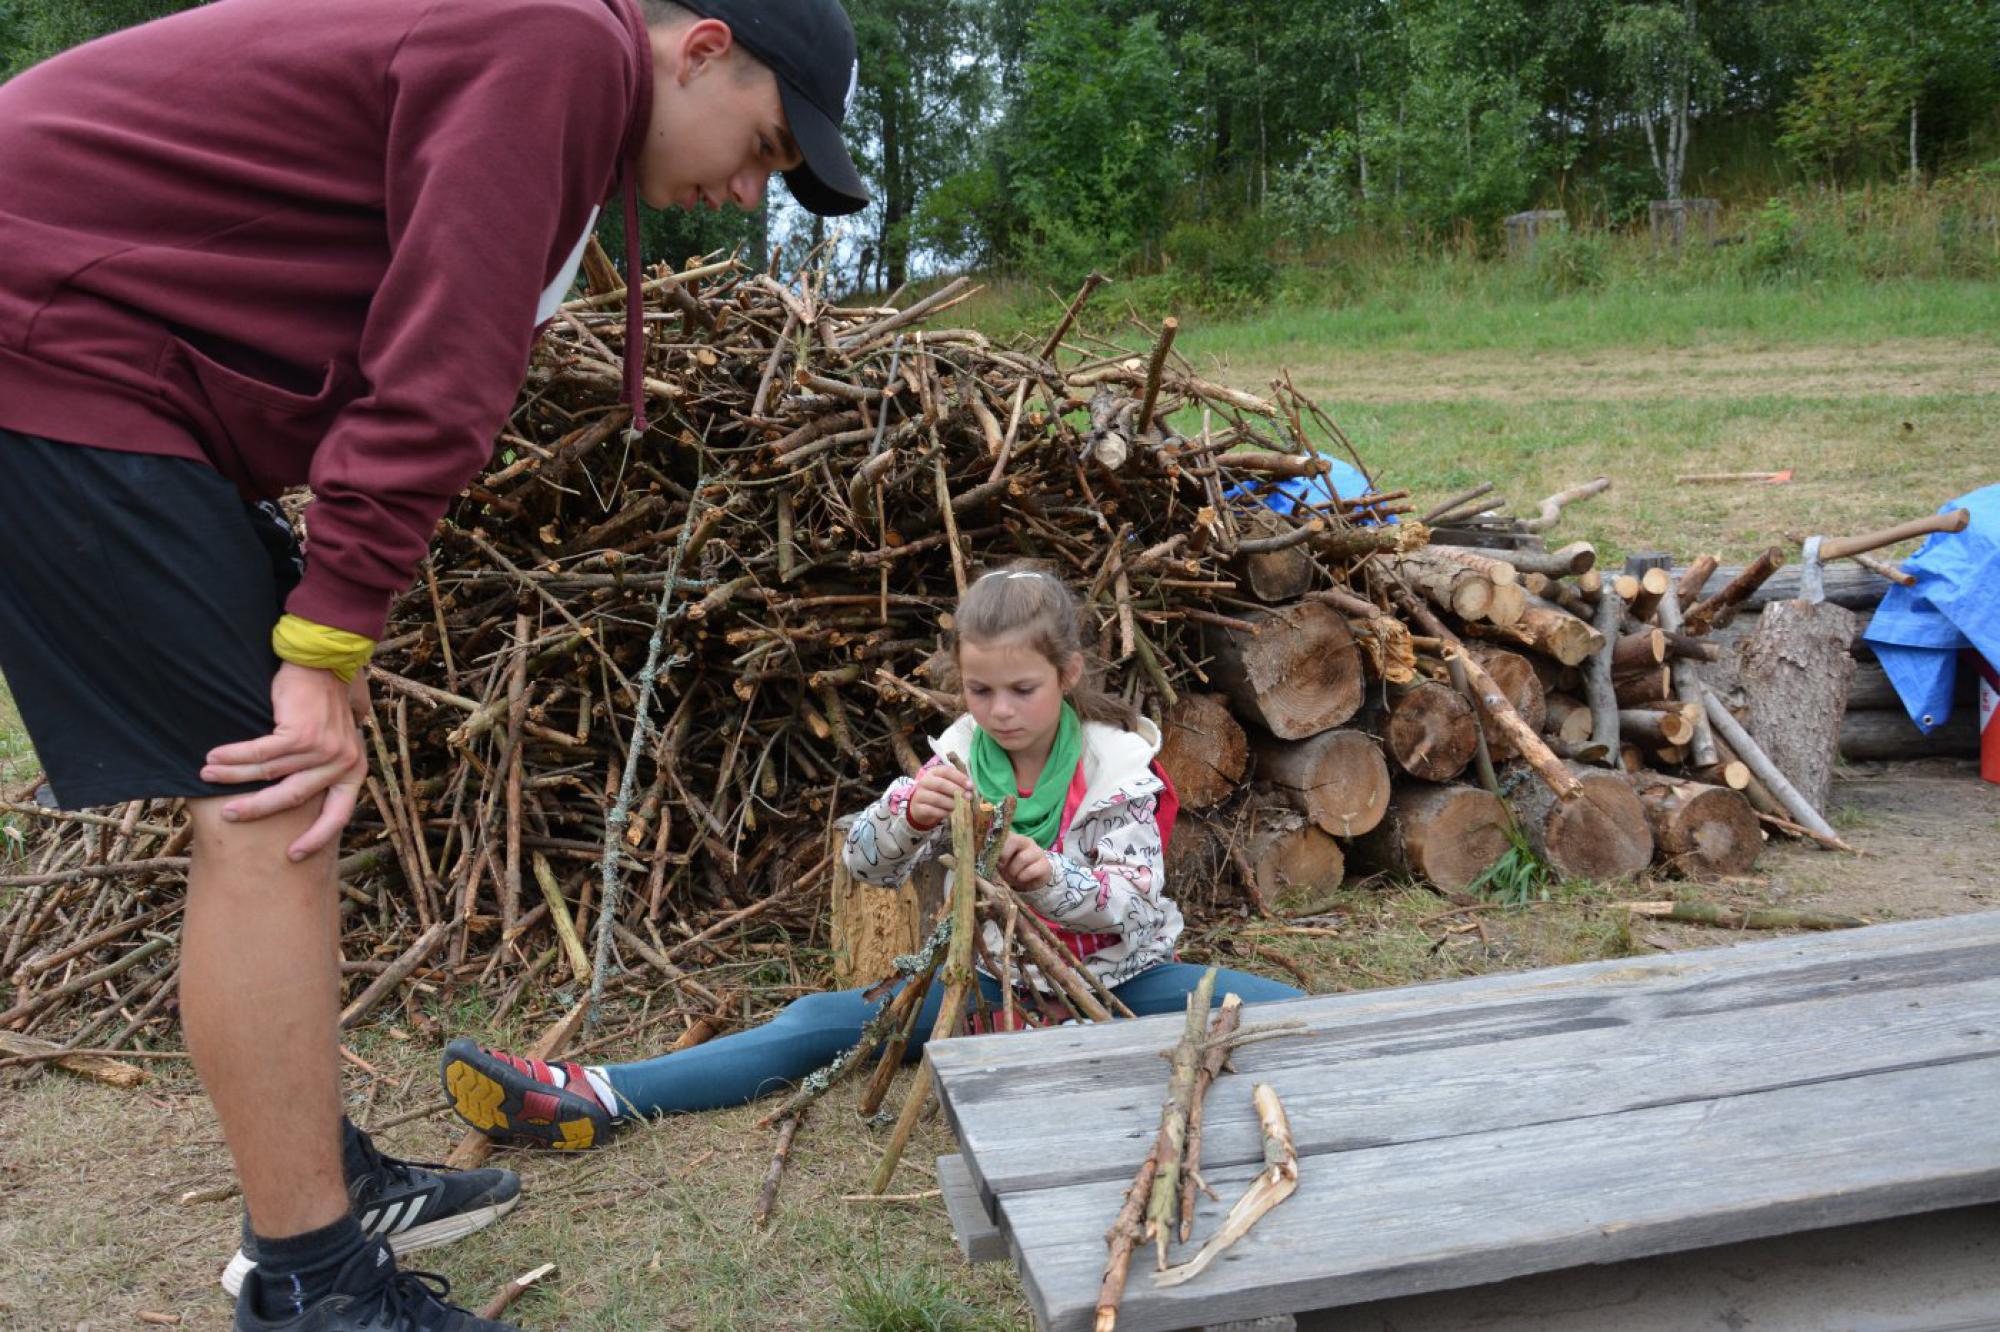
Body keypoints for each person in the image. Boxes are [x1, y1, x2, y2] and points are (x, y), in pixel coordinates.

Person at [0, 0, 867, 1327]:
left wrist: (329, 626)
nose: (750, 191)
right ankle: (313, 1283)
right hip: (54, 339)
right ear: (701, 49)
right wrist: (324, 635)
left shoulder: (552, 69)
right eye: (764, 146)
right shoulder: (559, 50)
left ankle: (318, 1182)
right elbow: (442, 361)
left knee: (276, 790)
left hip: (109, 353)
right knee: (272, 796)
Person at [439, 567, 1304, 1147]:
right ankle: (595, 1091)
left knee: (1283, 1015)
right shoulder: (958, 758)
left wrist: (1046, 875)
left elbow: (1131, 901)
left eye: (1022, 690)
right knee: (814, 1024)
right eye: (979, 690)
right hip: (984, 988)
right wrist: (903, 816)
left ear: (1069, 674)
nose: (999, 711)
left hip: (1117, 986)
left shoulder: (1118, 770)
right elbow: (864, 865)